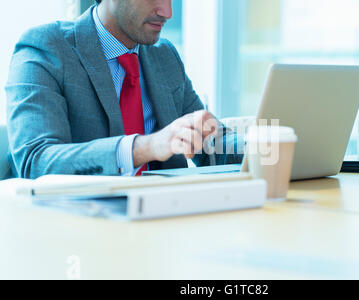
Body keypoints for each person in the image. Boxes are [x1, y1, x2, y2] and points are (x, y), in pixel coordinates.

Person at [6, 0, 243, 179]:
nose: (167, 12)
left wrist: (266, 144)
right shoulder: (46, 47)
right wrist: (147, 146)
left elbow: (211, 147)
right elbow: (35, 162)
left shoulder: (164, 56)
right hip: (79, 229)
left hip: (165, 224)